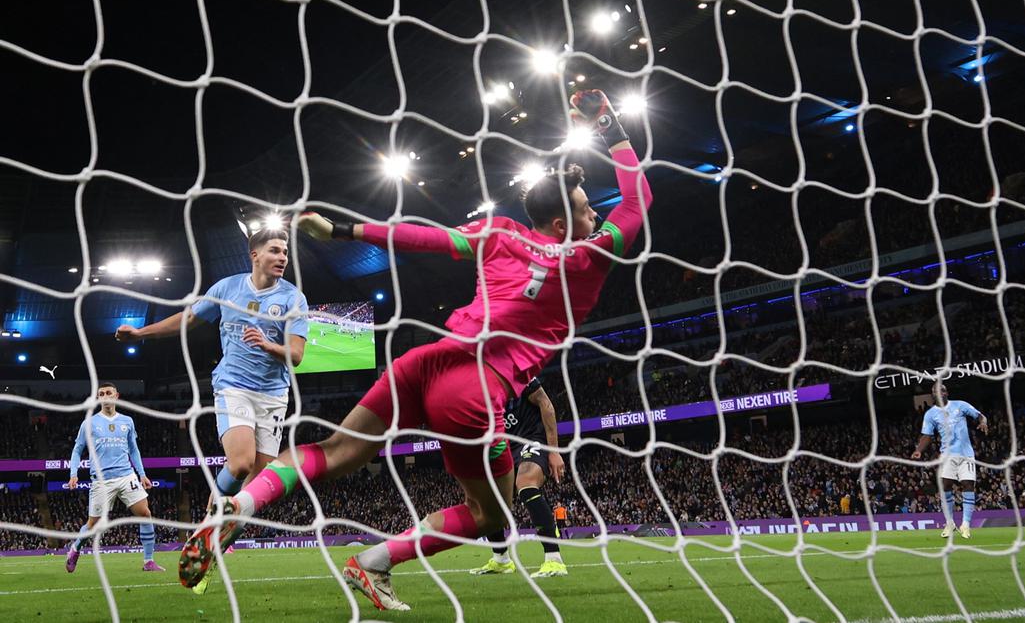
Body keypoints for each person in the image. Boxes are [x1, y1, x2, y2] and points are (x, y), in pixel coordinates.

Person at [176, 89, 652, 612]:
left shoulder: (501, 231)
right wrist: (609, 124)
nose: (595, 217)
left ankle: (237, 505)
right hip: (476, 391)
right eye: (587, 211)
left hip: (425, 362)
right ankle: (374, 562)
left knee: (336, 453)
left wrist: (342, 230)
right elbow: (638, 200)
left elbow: (426, 238)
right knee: (491, 515)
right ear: (563, 226)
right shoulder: (591, 255)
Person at [116, 227, 308, 593]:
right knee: (239, 463)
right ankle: (207, 526)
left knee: (252, 493)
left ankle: (210, 548)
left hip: (273, 396)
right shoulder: (227, 288)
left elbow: (296, 355)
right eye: (275, 251)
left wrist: (269, 345)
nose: (283, 257)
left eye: (285, 251)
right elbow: (187, 320)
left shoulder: (293, 298)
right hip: (233, 386)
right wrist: (141, 334)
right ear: (254, 255)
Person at [469, 377, 568, 578]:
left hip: (531, 438)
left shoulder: (516, 372)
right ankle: (501, 559)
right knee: (485, 497)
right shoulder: (472, 388)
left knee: (526, 482)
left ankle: (554, 559)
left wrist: (554, 451)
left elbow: (545, 403)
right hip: (502, 445)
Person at [63, 382, 164, 573]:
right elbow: (77, 450)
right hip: (101, 480)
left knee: (145, 514)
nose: (105, 396)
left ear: (116, 396)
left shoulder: (127, 421)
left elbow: (134, 450)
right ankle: (75, 549)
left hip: (127, 476)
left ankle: (149, 561)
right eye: (101, 394)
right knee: (94, 525)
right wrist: (73, 474)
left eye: (109, 392)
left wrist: (142, 474)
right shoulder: (89, 423)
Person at [911, 382, 988, 539]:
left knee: (968, 485)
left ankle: (965, 525)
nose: (941, 393)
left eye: (943, 390)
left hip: (966, 454)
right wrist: (919, 450)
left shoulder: (960, 405)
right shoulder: (931, 414)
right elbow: (927, 436)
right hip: (947, 455)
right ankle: (950, 523)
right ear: (933, 395)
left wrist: (983, 421)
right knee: (945, 486)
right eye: (937, 391)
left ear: (947, 392)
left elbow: (979, 415)